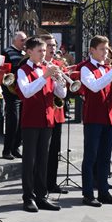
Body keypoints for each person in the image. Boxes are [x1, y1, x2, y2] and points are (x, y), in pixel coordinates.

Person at [15, 36, 67, 212]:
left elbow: (61, 94)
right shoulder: (22, 70)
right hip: (31, 120)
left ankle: (41, 196)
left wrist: (59, 81)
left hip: (48, 119)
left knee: (43, 160)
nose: (44, 54)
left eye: (45, 50)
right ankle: (28, 197)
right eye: (40, 51)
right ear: (29, 52)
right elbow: (27, 92)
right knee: (29, 161)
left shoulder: (48, 69)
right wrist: (45, 76)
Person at [78, 35, 112, 207]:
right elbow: (95, 87)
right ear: (92, 50)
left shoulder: (109, 69)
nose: (105, 53)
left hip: (110, 117)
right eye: (102, 49)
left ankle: (104, 192)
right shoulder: (85, 68)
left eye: (107, 49)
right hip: (93, 117)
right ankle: (88, 194)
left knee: (105, 157)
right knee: (90, 157)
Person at [40, 34, 69, 195]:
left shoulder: (58, 64)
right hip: (41, 112)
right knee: (41, 152)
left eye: (54, 45)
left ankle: (51, 183)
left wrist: (61, 79)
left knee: (54, 150)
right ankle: (40, 184)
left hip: (56, 112)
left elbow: (64, 91)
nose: (52, 48)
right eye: (49, 45)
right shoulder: (38, 65)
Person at [1, 31, 27, 159]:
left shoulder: (25, 53)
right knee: (13, 121)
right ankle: (6, 150)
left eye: (25, 40)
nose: (24, 42)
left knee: (22, 121)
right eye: (22, 40)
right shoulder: (6, 52)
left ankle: (15, 148)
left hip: (23, 91)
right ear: (15, 40)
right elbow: (2, 71)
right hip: (12, 92)